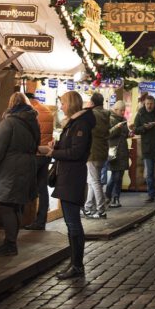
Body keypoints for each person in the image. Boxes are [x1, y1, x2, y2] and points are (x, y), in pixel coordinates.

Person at [0, 92, 39, 256]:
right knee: (16, 206)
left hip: (10, 169)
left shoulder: (8, 123)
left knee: (7, 206)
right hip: (26, 167)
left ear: (11, 105)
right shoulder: (33, 122)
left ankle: (10, 244)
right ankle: (11, 242)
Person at [52, 91, 95, 279]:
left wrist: (52, 153)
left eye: (62, 103)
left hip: (72, 177)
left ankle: (77, 265)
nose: (61, 107)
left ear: (70, 104)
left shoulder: (80, 124)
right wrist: (56, 146)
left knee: (73, 223)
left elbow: (76, 152)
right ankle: (74, 263)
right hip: (68, 176)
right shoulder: (74, 124)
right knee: (71, 224)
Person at [25, 94, 56, 231]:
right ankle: (41, 220)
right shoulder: (47, 111)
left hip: (36, 154)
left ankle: (27, 218)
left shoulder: (33, 113)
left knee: (30, 187)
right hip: (46, 155)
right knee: (43, 188)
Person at [84, 92, 110, 219]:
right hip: (102, 151)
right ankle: (88, 207)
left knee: (95, 181)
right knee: (92, 181)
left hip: (93, 151)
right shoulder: (106, 114)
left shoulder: (92, 115)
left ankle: (101, 209)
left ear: (93, 103)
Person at [106, 101, 130, 208]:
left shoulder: (124, 120)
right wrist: (117, 127)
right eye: (121, 110)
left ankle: (112, 197)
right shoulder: (110, 119)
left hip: (123, 151)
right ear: (115, 110)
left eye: (124, 110)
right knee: (116, 176)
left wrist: (129, 133)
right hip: (114, 151)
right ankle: (111, 196)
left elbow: (124, 134)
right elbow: (108, 134)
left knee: (119, 175)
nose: (123, 112)